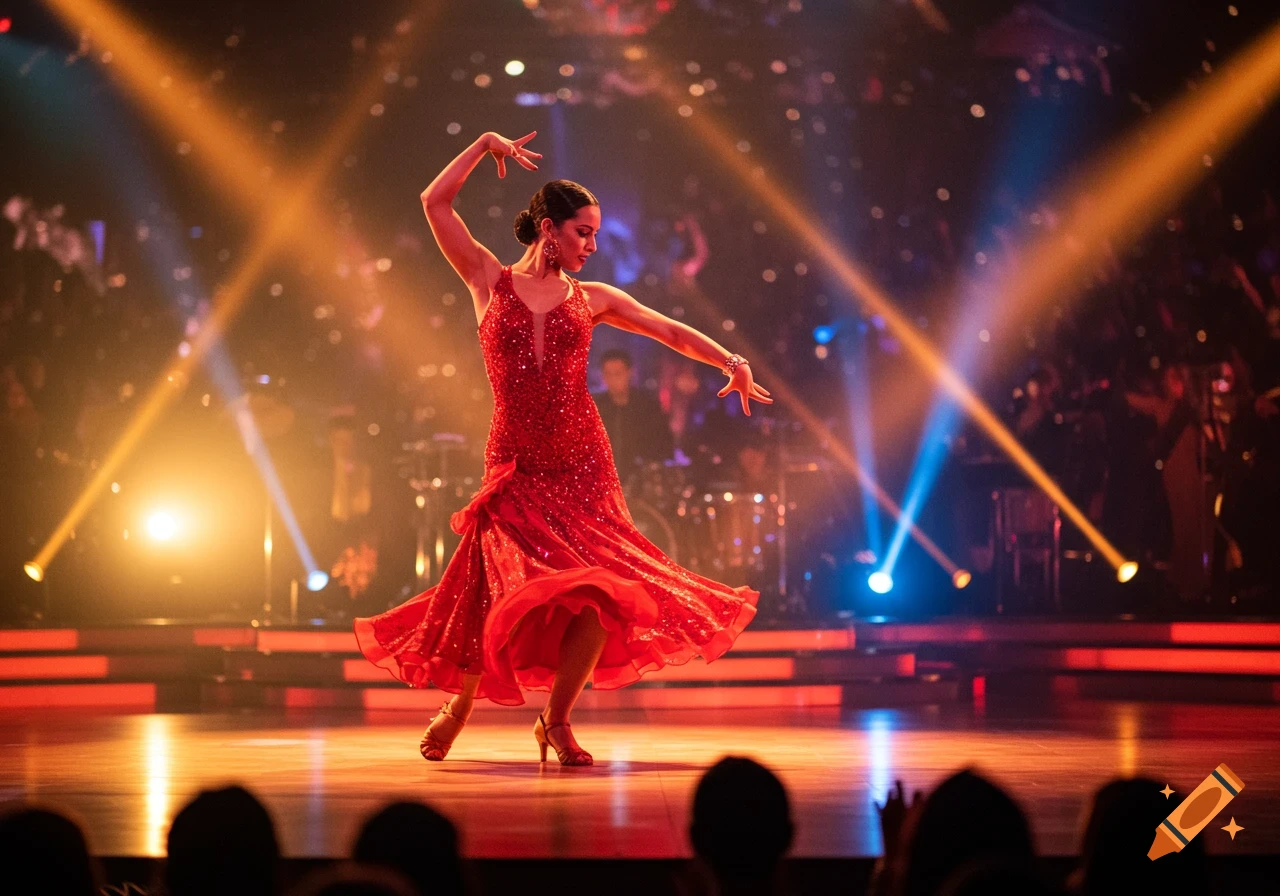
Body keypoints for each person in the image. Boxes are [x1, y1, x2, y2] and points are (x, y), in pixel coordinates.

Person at [353, 130, 771, 765]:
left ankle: (557, 721)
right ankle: (458, 705)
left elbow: (667, 331)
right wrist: (482, 145)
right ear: (548, 228)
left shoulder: (594, 299)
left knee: (604, 591)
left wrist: (731, 361)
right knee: (490, 582)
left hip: (582, 459)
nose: (593, 245)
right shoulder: (487, 280)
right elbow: (435, 203)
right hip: (517, 458)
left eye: (595, 234)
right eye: (584, 232)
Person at [592, 347, 675, 478]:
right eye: (608, 374)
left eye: (618, 373)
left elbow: (664, 445)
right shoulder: (594, 408)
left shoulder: (648, 407)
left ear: (629, 373)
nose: (613, 380)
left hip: (641, 483)